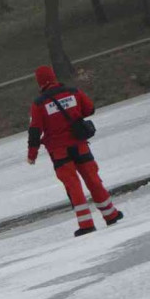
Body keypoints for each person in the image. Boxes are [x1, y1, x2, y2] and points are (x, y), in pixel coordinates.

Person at [27, 65, 123, 236]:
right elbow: (89, 109)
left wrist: (32, 154)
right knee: (93, 180)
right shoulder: (73, 91)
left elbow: (35, 131)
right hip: (80, 145)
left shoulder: (39, 104)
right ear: (54, 76)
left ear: (39, 82)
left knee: (74, 186)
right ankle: (111, 215)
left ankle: (86, 225)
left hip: (59, 152)